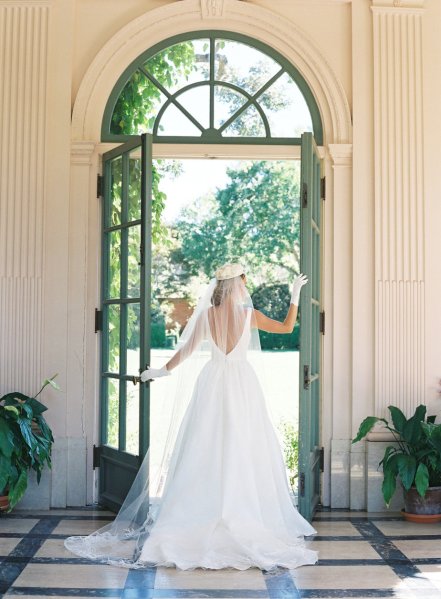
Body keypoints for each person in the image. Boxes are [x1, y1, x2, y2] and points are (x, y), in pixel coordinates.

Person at [65, 264, 318, 571]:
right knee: (243, 446)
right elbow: (287, 327)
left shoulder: (207, 316)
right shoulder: (249, 315)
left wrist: (160, 370)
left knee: (205, 447)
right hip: (242, 386)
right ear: (240, 284)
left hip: (212, 384)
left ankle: (202, 511)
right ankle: (240, 511)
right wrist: (295, 295)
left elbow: (186, 350)